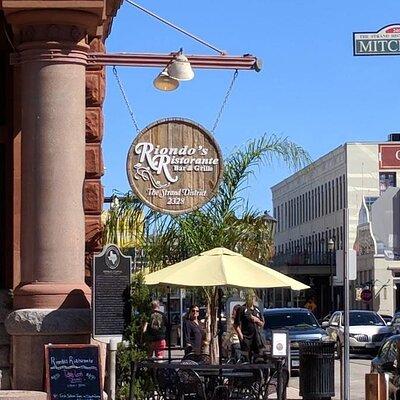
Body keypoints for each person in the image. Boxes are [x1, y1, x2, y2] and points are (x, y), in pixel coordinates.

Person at [233, 293, 265, 361]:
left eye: (253, 297)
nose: (252, 299)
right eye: (250, 297)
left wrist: (257, 320)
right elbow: (236, 325)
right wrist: (241, 336)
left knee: (258, 357)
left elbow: (262, 323)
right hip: (247, 338)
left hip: (257, 338)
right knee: (247, 358)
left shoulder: (257, 309)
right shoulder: (242, 309)